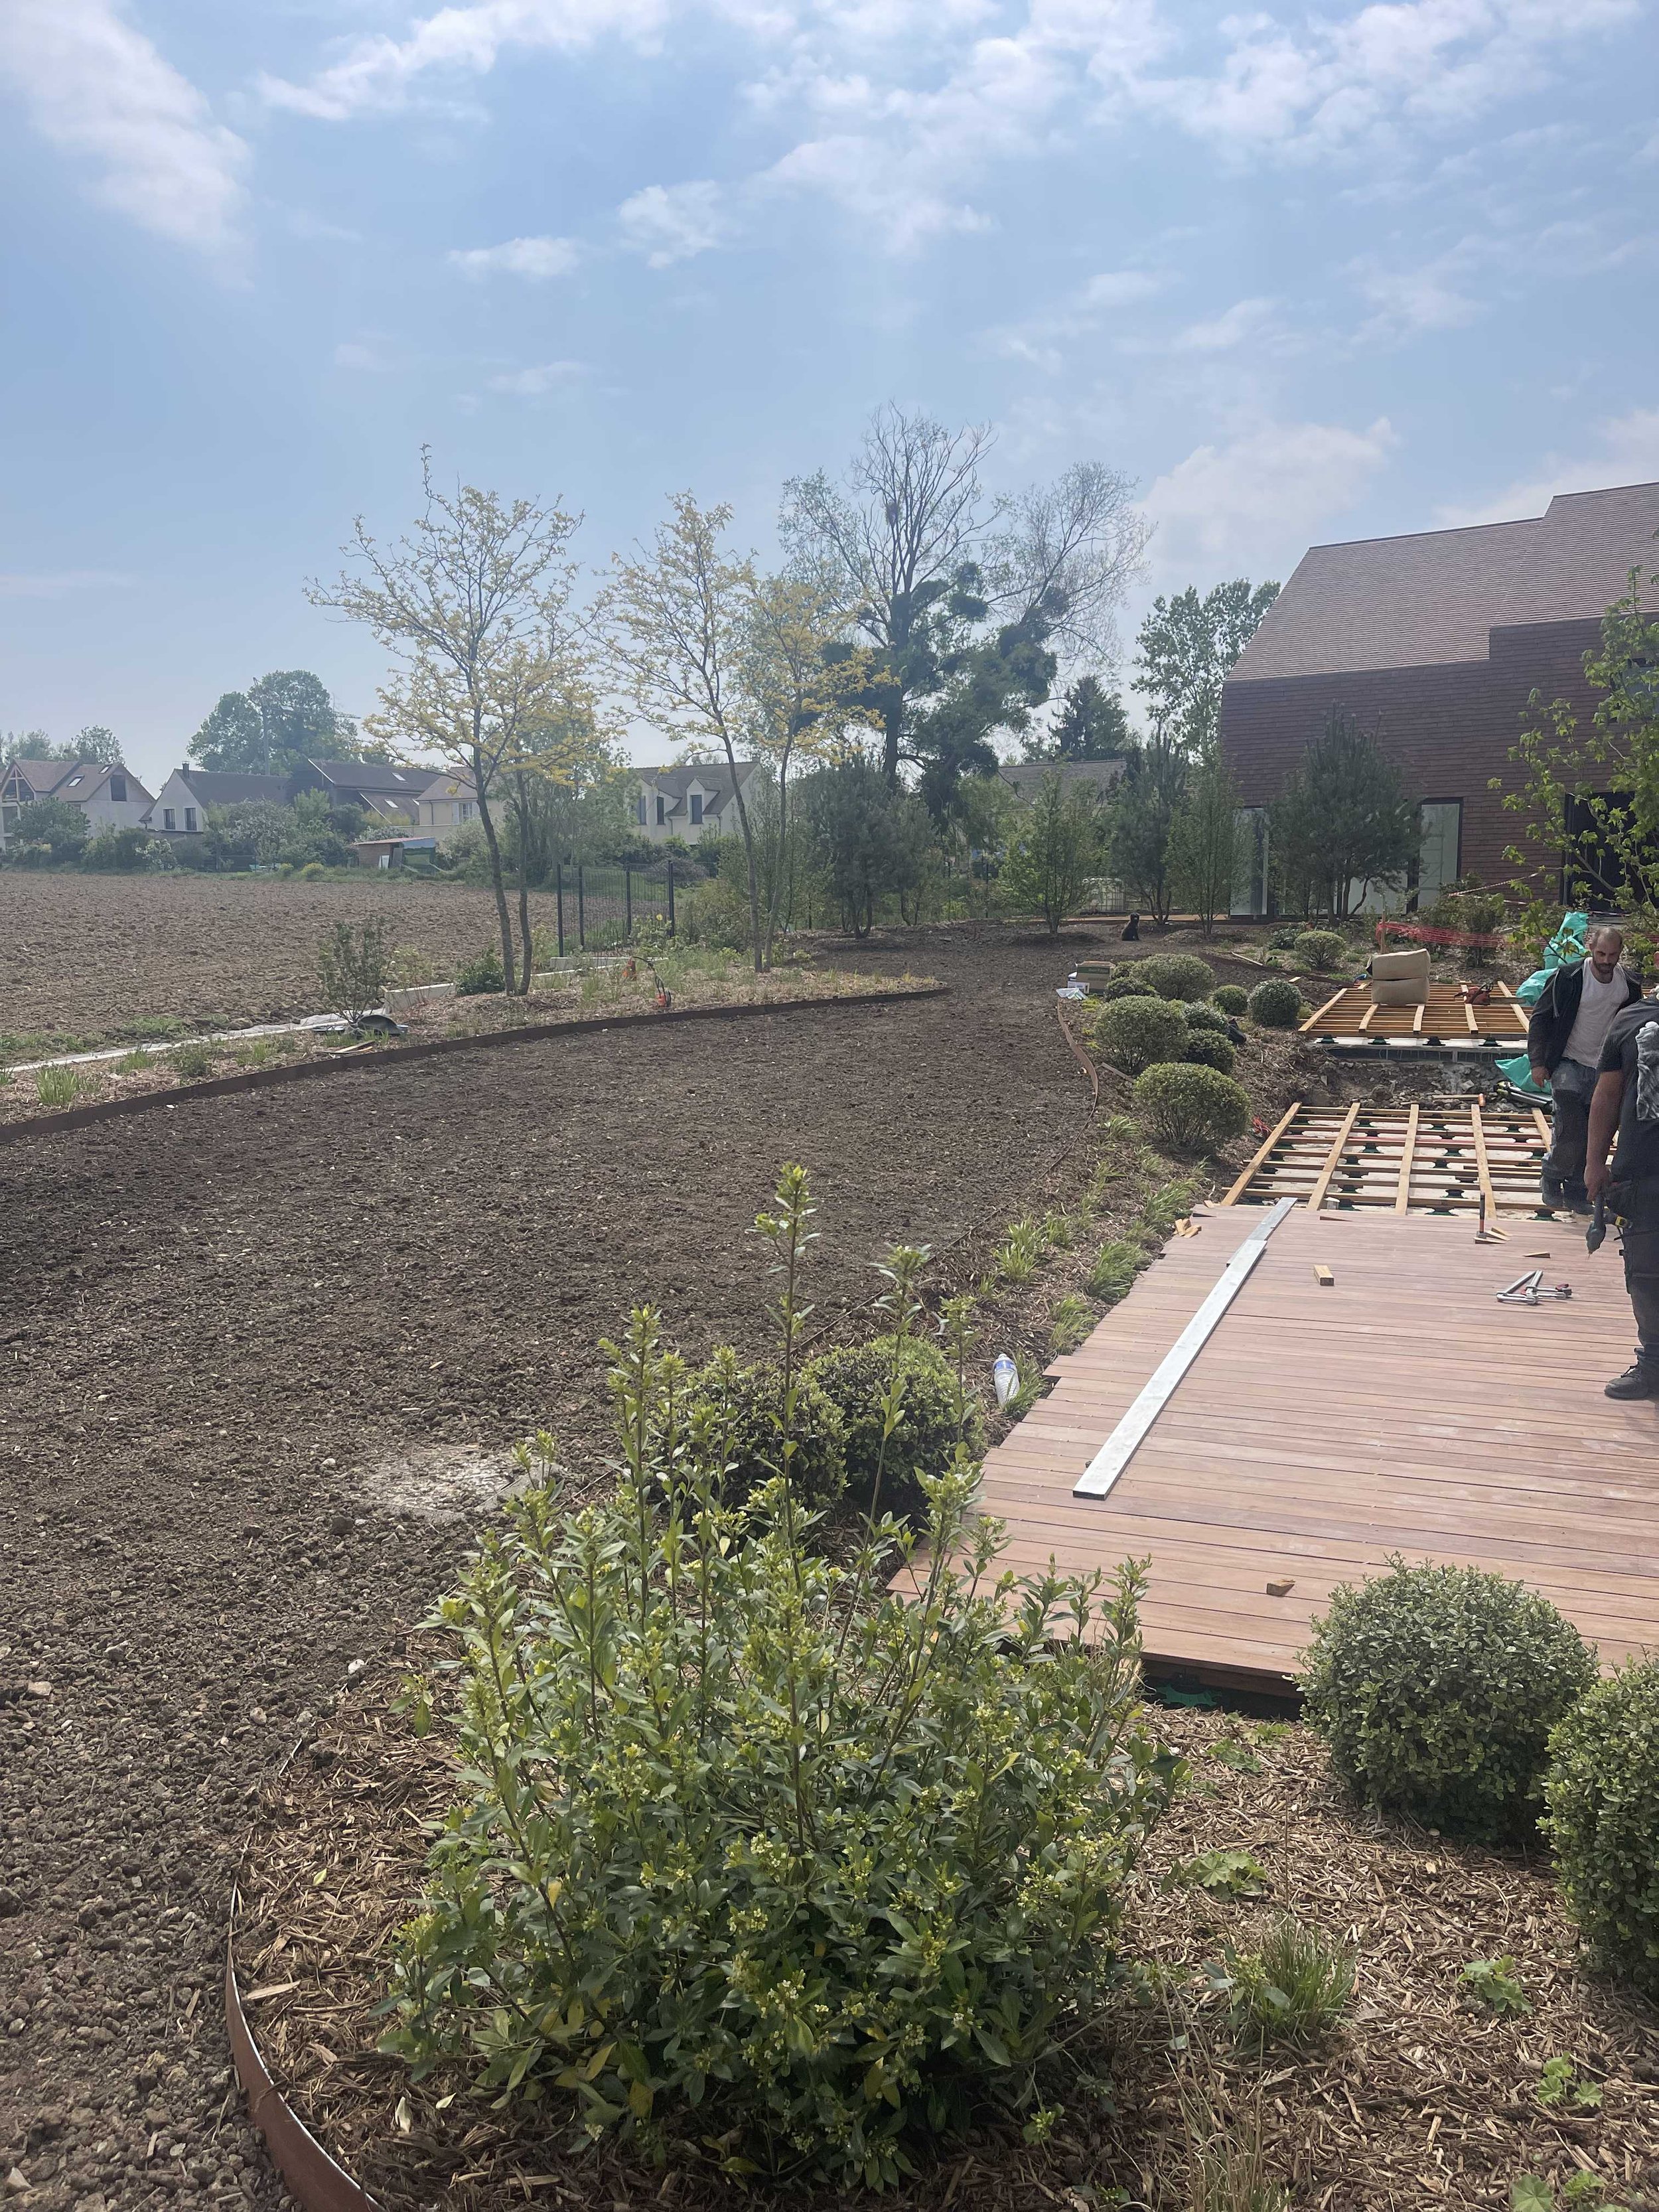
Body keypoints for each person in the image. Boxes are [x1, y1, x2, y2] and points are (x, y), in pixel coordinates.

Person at [1527, 922, 1642, 1211]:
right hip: (1568, 1061)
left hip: (1605, 1069)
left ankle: (1579, 1188)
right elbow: (1540, 1019)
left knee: (1596, 1134)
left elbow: (1636, 1027)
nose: (1606, 962)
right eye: (1601, 954)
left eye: (1612, 956)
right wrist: (1538, 1063)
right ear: (1591, 948)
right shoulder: (1569, 978)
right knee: (1571, 1130)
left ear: (1620, 954)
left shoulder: (1627, 986)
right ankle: (1553, 1176)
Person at [1585, 986, 1659, 1398]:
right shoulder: (1631, 1019)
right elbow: (1607, 1093)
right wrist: (1595, 1160)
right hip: (1644, 1169)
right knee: (1647, 1276)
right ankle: (1654, 1365)